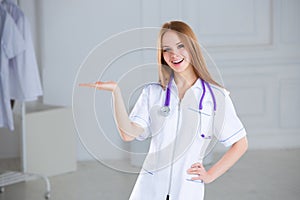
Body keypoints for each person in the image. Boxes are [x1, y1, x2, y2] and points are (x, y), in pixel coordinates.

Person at [80, 21, 248, 200]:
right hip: (149, 188)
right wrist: (116, 92)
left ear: (192, 47)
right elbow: (128, 134)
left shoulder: (215, 97)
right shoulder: (153, 93)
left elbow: (240, 143)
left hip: (186, 188)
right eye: (166, 49)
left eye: (180, 46)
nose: (174, 54)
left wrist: (210, 175)